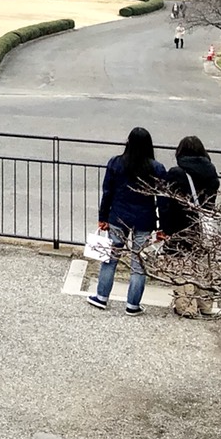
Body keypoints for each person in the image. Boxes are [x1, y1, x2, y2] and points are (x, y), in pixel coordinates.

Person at [88, 126, 167, 314]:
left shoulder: (116, 163)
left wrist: (103, 217)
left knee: (111, 258)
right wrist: (162, 226)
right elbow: (163, 199)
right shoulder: (157, 168)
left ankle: (101, 297)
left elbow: (107, 192)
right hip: (144, 218)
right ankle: (132, 304)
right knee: (138, 262)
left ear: (128, 143)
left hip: (118, 216)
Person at [159, 135, 221, 250]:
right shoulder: (211, 172)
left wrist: (164, 227)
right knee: (197, 258)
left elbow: (166, 203)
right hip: (200, 225)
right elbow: (211, 200)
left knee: (176, 258)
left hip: (177, 225)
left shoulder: (176, 173)